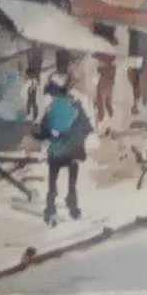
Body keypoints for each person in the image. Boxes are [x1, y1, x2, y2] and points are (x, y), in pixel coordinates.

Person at [35, 76, 91, 226]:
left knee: (53, 177)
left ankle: (51, 207)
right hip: (73, 152)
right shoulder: (75, 105)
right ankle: (72, 203)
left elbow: (43, 132)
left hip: (56, 153)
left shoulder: (51, 109)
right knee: (73, 170)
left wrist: (47, 134)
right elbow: (87, 128)